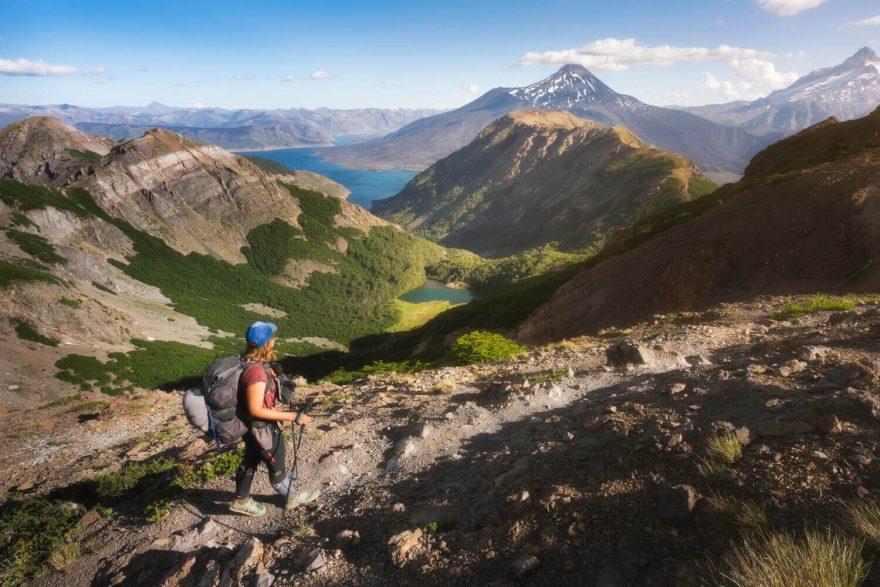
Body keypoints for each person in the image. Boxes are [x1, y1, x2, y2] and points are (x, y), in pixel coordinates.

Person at [230, 321, 319, 516]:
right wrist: (292, 417)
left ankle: (241, 500)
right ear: (269, 342)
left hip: (249, 427)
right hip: (262, 428)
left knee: (251, 459)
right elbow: (255, 409)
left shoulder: (246, 361)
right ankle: (292, 497)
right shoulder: (256, 372)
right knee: (277, 469)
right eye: (272, 337)